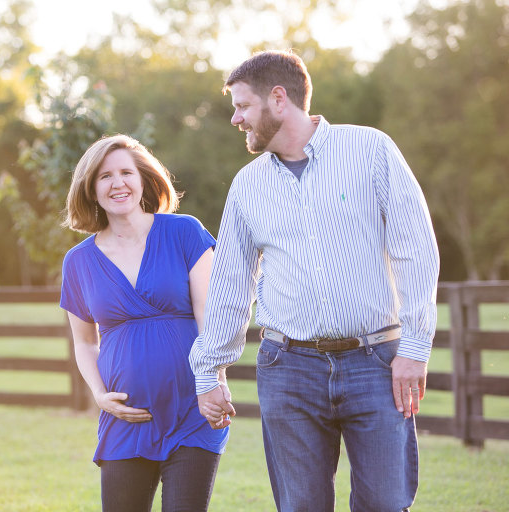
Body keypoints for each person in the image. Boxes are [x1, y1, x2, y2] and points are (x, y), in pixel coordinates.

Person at [189, 50, 440, 511]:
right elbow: (230, 284)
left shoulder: (371, 150)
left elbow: (416, 250)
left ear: (278, 99)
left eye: (243, 105)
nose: (235, 118)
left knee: (386, 503)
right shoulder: (247, 186)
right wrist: (210, 369)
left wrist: (415, 347)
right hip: (288, 370)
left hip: (377, 364)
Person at [60, 134, 229, 512]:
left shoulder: (184, 232)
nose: (117, 183)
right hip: (126, 418)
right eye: (104, 176)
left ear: (143, 180)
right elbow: (85, 342)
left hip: (192, 409)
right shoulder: (78, 261)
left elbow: (210, 315)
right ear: (90, 189)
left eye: (125, 172)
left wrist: (213, 381)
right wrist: (101, 396)